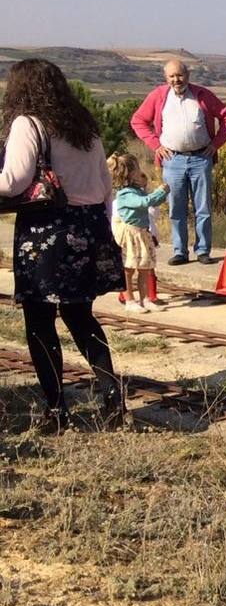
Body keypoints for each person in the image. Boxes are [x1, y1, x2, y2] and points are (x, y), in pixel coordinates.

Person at [0, 59, 126, 430]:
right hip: (88, 227)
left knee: (39, 322)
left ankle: (56, 410)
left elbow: (12, 181)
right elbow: (105, 187)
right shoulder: (84, 126)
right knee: (80, 315)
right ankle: (112, 397)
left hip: (47, 232)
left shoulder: (29, 123)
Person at [129, 58, 226, 265]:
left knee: (202, 207)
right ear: (166, 78)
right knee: (176, 208)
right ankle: (180, 251)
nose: (176, 80)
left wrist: (216, 143)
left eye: (180, 75)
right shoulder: (158, 96)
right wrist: (156, 145)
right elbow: (138, 120)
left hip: (200, 158)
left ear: (187, 75)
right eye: (172, 76)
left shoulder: (202, 95)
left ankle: (203, 250)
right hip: (172, 160)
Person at [107, 153, 170, 312]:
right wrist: (159, 192)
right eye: (137, 168)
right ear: (130, 172)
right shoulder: (125, 194)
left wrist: (162, 194)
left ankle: (145, 299)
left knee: (144, 267)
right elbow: (144, 203)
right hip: (130, 234)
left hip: (141, 232)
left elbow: (151, 200)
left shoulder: (136, 191)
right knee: (128, 268)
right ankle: (129, 300)